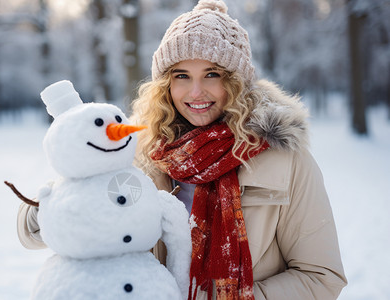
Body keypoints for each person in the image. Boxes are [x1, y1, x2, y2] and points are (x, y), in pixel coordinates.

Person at [17, 0, 347, 299]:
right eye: (182, 75)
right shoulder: (140, 153)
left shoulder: (284, 160)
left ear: (235, 82)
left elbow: (321, 277)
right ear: (166, 84)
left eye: (212, 74)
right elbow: (36, 233)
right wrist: (55, 204)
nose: (196, 91)